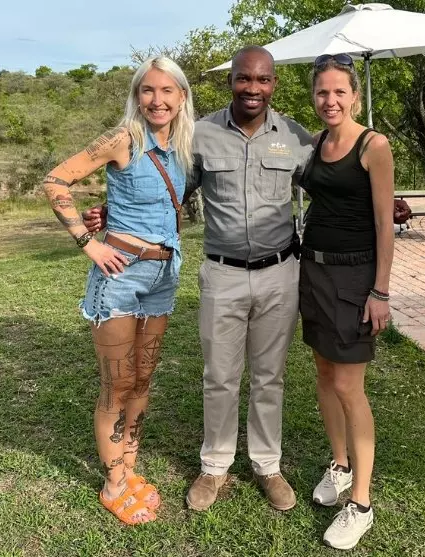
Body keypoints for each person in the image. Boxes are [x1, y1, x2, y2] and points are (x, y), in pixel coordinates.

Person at [84, 46, 315, 512]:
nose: (253, 88)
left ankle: (267, 465)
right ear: (230, 81)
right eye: (244, 78)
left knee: (269, 377)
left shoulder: (295, 136)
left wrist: (381, 200)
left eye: (263, 79)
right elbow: (163, 188)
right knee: (219, 376)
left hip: (280, 273)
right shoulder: (199, 134)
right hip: (222, 274)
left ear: (274, 84)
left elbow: (329, 185)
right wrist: (113, 212)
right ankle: (214, 466)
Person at [42, 56, 194, 525]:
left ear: (181, 97)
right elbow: (55, 180)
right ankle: (113, 484)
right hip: (121, 276)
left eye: (167, 91)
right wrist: (88, 243)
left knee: (143, 379)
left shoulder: (181, 147)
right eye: (148, 90)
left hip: (163, 276)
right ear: (137, 96)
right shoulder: (123, 138)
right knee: (118, 383)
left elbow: (148, 199)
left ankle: (127, 466)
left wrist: (107, 209)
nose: (157, 100)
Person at [298, 53, 395, 550]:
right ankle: (339, 464)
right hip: (312, 270)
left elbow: (384, 223)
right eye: (322, 92)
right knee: (323, 374)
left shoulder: (373, 146)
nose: (330, 100)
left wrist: (379, 291)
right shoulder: (316, 143)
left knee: (348, 385)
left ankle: (361, 503)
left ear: (354, 95)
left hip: (355, 276)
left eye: (339, 91)